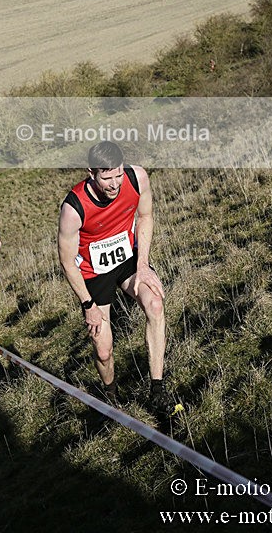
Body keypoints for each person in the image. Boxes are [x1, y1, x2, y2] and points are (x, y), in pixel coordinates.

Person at [58, 141, 171, 415]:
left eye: (118, 175)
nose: (114, 184)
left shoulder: (137, 178)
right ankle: (111, 395)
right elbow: (67, 262)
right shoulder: (73, 209)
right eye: (106, 178)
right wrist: (87, 305)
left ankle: (157, 390)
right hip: (94, 274)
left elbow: (145, 216)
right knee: (104, 350)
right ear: (91, 173)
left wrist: (143, 265)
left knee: (155, 304)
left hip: (128, 259)